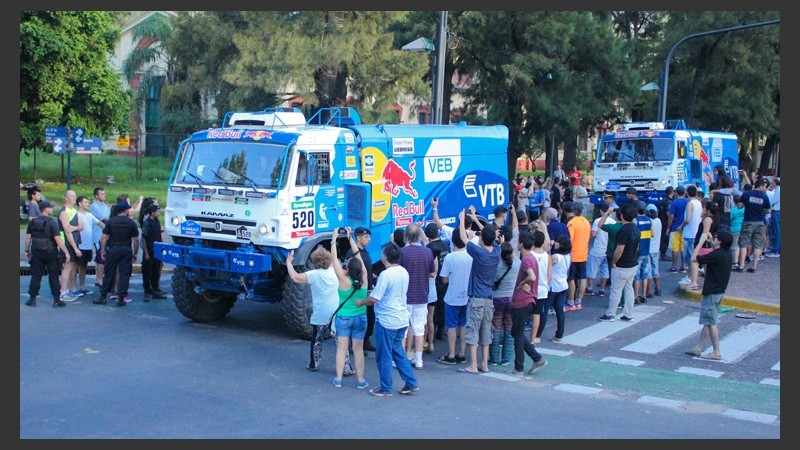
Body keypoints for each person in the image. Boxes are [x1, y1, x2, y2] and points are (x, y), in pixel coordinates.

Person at [356, 242, 419, 397]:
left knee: (384, 355)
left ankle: (386, 387)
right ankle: (411, 382)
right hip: (402, 319)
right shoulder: (403, 271)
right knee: (398, 351)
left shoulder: (386, 275)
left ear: (385, 256)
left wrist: (361, 302)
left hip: (387, 320)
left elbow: (374, 299)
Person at [457, 207, 501, 375]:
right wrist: (476, 219)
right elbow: (490, 235)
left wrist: (462, 220)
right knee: (486, 331)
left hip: (476, 297)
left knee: (473, 331)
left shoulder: (479, 253)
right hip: (489, 298)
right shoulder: (496, 252)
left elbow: (463, 238)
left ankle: (473, 365)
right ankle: (485, 363)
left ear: (482, 239)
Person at [286, 246, 338, 372]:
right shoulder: (334, 271)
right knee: (340, 342)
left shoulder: (313, 275)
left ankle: (314, 363)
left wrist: (288, 262)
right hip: (336, 311)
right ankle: (346, 366)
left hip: (321, 313)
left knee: (317, 339)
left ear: (314, 262)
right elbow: (334, 259)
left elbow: (295, 277)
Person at [685, 231, 734, 361]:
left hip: (711, 292)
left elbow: (694, 258)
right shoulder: (725, 254)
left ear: (721, 241)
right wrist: (712, 243)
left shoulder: (716, 255)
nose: (714, 238)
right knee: (708, 320)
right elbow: (713, 253)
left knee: (711, 322)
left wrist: (701, 242)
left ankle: (716, 351)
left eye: (716, 237)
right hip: (719, 291)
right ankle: (699, 347)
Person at [330, 228, 369, 389]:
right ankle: (361, 380)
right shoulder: (364, 278)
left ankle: (338, 379)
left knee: (342, 348)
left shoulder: (343, 280)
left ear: (347, 269)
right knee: (358, 349)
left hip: (344, 317)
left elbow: (333, 259)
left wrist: (334, 239)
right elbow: (358, 257)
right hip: (360, 316)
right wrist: (351, 238)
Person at [509, 232, 548, 377]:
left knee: (517, 334)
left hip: (522, 300)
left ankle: (519, 367)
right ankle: (536, 358)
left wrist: (522, 283)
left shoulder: (526, 260)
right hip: (529, 299)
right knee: (516, 332)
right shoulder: (531, 258)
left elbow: (532, 276)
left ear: (520, 244)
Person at [399, 222, 436, 369]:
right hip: (422, 295)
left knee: (402, 328)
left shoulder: (403, 253)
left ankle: (401, 359)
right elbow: (432, 273)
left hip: (406, 296)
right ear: (420, 236)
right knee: (419, 328)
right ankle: (418, 359)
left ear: (406, 236)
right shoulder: (428, 252)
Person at [436, 225, 472, 365]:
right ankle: (462, 353)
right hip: (467, 296)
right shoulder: (470, 256)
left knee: (451, 326)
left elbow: (444, 279)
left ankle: (451, 354)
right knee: (463, 325)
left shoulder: (450, 257)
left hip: (452, 296)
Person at [24, 201, 71, 308]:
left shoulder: (32, 222)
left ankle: (32, 300)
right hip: (51, 252)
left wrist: (27, 250)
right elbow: (58, 240)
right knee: (54, 275)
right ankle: (56, 300)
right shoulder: (52, 223)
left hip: (36, 251)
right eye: (50, 208)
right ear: (45, 209)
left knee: (36, 276)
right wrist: (66, 252)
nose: (52, 209)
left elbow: (28, 238)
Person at [93, 201, 140, 307]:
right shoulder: (131, 222)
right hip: (126, 249)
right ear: (126, 210)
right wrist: (135, 252)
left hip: (113, 249)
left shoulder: (110, 222)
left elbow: (104, 237)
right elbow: (136, 239)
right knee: (124, 274)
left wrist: (103, 250)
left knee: (109, 273)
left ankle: (103, 296)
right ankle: (121, 298)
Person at [599, 203, 640, 322]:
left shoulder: (623, 230)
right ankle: (628, 313)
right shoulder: (635, 228)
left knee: (616, 290)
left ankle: (611, 313)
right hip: (633, 262)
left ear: (622, 216)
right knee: (628, 289)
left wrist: (614, 261)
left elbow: (620, 249)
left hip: (622, 264)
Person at [344, 227, 376, 352]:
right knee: (357, 318)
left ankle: (365, 341)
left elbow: (368, 269)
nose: (369, 239)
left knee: (370, 317)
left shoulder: (365, 253)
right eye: (366, 237)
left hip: (367, 289)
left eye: (369, 237)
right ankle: (355, 344)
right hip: (357, 291)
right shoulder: (351, 253)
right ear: (358, 237)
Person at [488, 241, 519, 366]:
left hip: (497, 299)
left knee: (496, 327)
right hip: (511, 298)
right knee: (509, 327)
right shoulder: (517, 264)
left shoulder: (496, 264)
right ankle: (506, 358)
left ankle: (494, 358)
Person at [537, 234, 571, 342]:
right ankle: (559, 334)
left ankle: (538, 334)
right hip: (563, 285)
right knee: (559, 310)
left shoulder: (556, 257)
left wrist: (546, 251)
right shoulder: (568, 256)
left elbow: (545, 263)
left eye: (557, 242)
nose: (555, 243)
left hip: (553, 286)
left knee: (544, 310)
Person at [735, 177, 771, 273]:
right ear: (762, 185)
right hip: (760, 222)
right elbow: (768, 210)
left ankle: (741, 266)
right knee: (757, 245)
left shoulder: (746, 194)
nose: (766, 189)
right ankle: (754, 267)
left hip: (748, 221)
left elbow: (739, 206)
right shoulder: (764, 197)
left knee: (743, 244)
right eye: (766, 187)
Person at [425, 222, 450, 348]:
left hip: (434, 282)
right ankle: (441, 330)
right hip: (445, 279)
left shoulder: (430, 248)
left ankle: (431, 335)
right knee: (442, 305)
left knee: (431, 310)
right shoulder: (445, 245)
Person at [684, 202, 719, 290]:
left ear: (708, 210)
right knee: (706, 265)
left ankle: (694, 282)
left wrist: (698, 246)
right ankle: (707, 283)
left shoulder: (708, 219)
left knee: (694, 261)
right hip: (707, 245)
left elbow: (705, 233)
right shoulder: (712, 218)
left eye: (704, 208)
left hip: (703, 245)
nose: (703, 210)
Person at [57, 190, 83, 303]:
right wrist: (75, 248)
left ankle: (66, 290)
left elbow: (81, 227)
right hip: (67, 243)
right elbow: (67, 231)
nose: (74, 197)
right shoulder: (64, 212)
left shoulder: (74, 211)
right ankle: (63, 292)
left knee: (71, 266)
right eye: (71, 196)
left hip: (74, 242)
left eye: (75, 195)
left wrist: (74, 227)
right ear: (66, 198)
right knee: (67, 267)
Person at [564, 201, 590, 311]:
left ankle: (571, 302)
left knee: (571, 279)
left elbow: (570, 239)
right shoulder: (586, 222)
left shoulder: (572, 223)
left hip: (573, 255)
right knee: (582, 278)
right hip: (583, 254)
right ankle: (579, 301)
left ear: (573, 211)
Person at [75, 195, 103, 297]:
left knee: (83, 267)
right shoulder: (76, 214)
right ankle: (73, 288)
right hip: (78, 245)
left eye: (88, 202)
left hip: (87, 246)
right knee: (74, 267)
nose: (88, 204)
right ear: (80, 203)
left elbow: (101, 224)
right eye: (86, 202)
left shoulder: (89, 215)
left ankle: (82, 287)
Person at [586, 203, 614, 297]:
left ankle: (590, 288)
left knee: (592, 270)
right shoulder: (613, 222)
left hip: (597, 249)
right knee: (605, 271)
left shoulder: (598, 221)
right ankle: (602, 289)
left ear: (602, 211)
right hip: (607, 250)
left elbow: (593, 234)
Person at [141, 203, 167, 301]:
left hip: (157, 250)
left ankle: (156, 289)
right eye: (157, 211)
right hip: (150, 251)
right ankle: (147, 292)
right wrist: (146, 253)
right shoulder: (147, 223)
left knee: (156, 272)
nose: (159, 213)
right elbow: (144, 237)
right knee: (147, 272)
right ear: (152, 212)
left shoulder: (157, 222)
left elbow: (159, 237)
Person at [90, 187, 111, 289]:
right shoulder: (94, 206)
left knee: (99, 258)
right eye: (101, 194)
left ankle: (98, 279)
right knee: (101, 257)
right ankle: (100, 279)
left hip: (104, 234)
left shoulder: (105, 206)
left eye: (104, 193)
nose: (104, 195)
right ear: (96, 196)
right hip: (98, 235)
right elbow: (106, 219)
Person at [632, 201, 652, 305]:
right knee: (645, 274)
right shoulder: (649, 220)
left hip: (638, 251)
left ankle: (636, 296)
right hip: (646, 250)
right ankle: (643, 294)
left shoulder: (636, 221)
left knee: (636, 275)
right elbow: (652, 234)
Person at [667, 185, 689, 273]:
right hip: (685, 228)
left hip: (675, 227)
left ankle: (674, 266)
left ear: (676, 193)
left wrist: (668, 227)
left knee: (674, 248)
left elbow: (671, 216)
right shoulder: (688, 202)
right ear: (684, 192)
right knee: (683, 248)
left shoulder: (674, 203)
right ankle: (683, 266)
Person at [645, 204, 663, 297]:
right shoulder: (658, 221)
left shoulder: (648, 221)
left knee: (648, 272)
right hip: (656, 249)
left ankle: (649, 291)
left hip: (648, 249)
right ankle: (658, 289)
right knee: (655, 270)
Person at [658, 186, 674, 261]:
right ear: (672, 192)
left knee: (663, 238)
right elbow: (669, 214)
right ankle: (663, 254)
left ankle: (663, 253)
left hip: (662, 221)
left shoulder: (664, 200)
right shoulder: (669, 202)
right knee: (665, 238)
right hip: (666, 222)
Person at [765, 177, 780, 257]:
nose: (771, 184)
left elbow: (772, 200)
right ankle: (777, 249)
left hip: (776, 211)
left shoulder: (778, 190)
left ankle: (775, 250)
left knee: (776, 231)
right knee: (777, 231)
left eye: (772, 183)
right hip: (778, 211)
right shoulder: (777, 190)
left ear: (775, 183)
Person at [729, 194, 745, 269]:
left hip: (734, 228)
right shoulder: (744, 209)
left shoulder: (733, 210)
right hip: (743, 228)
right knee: (742, 245)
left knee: (734, 246)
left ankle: (735, 262)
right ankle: (742, 261)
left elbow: (730, 219)